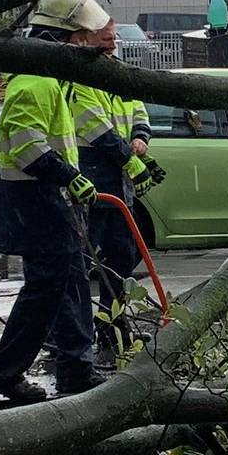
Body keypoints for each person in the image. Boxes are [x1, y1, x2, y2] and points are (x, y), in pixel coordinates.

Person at [0, 0, 114, 405]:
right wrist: (69, 176)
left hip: (45, 198)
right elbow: (26, 145)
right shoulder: (36, 82)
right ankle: (4, 372)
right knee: (46, 290)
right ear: (63, 39)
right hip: (34, 199)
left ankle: (75, 368)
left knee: (70, 283)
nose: (87, 46)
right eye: (82, 39)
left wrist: (68, 181)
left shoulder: (49, 79)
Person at [71, 70, 163, 359]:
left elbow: (137, 109)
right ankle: (68, 335)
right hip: (92, 177)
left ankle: (112, 327)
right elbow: (97, 131)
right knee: (79, 261)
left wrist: (140, 137)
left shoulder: (117, 75)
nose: (113, 49)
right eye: (107, 44)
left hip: (117, 179)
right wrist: (132, 161)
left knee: (123, 255)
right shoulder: (81, 79)